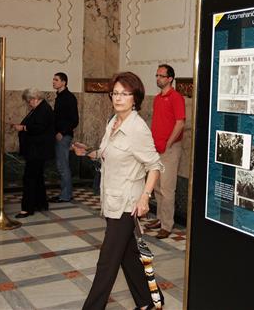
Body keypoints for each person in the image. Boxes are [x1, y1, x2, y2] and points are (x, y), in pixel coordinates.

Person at [73, 72, 164, 310]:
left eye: (125, 93)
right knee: (128, 256)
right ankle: (149, 302)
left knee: (107, 263)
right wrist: (90, 153)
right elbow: (109, 154)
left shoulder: (137, 128)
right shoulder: (113, 122)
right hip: (111, 200)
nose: (118, 98)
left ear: (136, 98)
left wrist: (145, 197)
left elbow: (154, 165)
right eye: (115, 93)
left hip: (128, 203)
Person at [146, 64, 185, 239]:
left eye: (161, 76)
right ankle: (160, 218)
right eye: (156, 75)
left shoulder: (176, 97)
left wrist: (168, 144)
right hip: (155, 148)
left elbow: (180, 123)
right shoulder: (157, 98)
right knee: (157, 186)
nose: (158, 78)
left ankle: (167, 225)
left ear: (170, 78)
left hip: (169, 149)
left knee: (168, 188)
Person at [12, 88, 55, 218]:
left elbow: (39, 128)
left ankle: (27, 208)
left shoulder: (43, 109)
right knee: (37, 178)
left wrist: (23, 128)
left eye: (29, 101)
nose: (28, 103)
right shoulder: (40, 108)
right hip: (36, 150)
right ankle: (41, 203)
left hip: (37, 150)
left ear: (34, 98)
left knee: (29, 178)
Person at [49, 72, 79, 203]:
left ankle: (66, 195)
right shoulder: (60, 97)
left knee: (63, 166)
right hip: (58, 135)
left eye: (56, 80)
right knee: (61, 165)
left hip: (64, 136)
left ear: (64, 82)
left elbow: (74, 120)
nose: (53, 82)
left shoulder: (69, 97)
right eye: (53, 79)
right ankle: (64, 193)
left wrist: (62, 132)